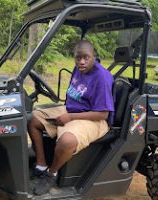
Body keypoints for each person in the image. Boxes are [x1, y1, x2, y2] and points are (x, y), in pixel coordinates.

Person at [28, 40, 114, 195]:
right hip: (71, 110)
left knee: (67, 141)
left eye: (86, 58)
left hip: (93, 118)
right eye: (78, 58)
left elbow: (103, 113)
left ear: (94, 56)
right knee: (33, 120)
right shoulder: (78, 69)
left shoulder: (102, 77)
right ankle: (41, 164)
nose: (81, 62)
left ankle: (51, 174)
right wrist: (67, 114)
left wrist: (70, 117)